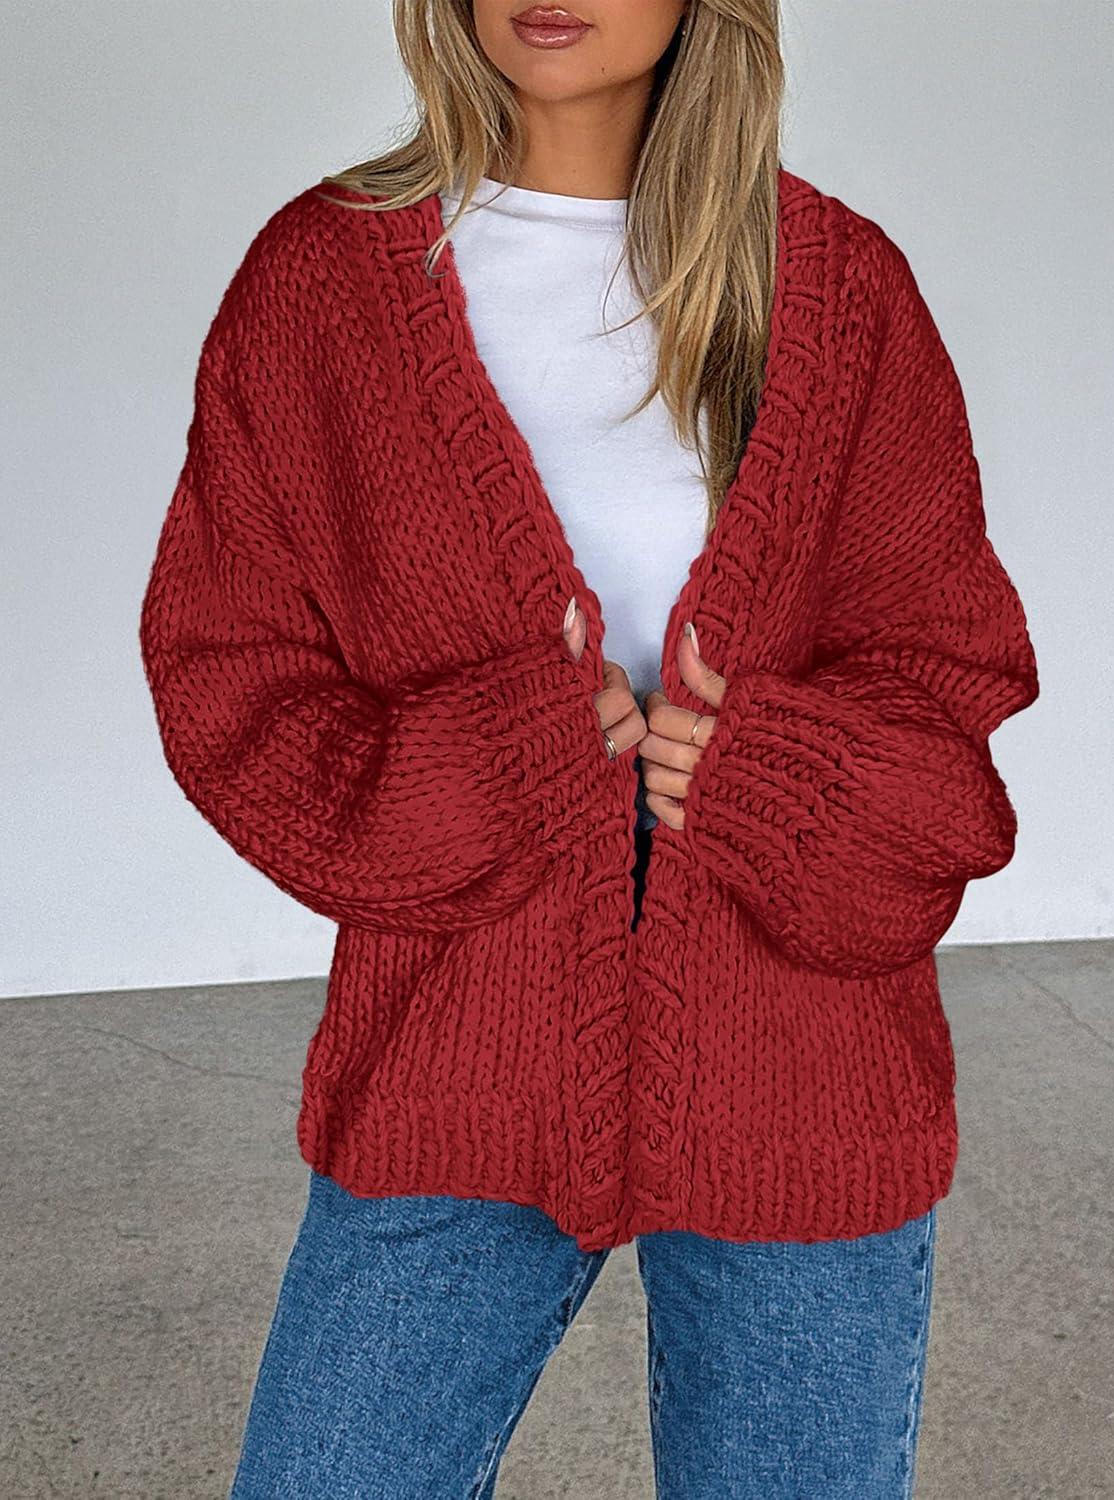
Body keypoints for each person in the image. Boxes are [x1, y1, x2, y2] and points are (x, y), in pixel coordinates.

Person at [138, 2, 1040, 1495]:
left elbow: (947, 677)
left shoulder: (839, 288)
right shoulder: (321, 283)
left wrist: (782, 781)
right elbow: (230, 669)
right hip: (453, 1036)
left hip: (805, 1059)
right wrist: (479, 774)